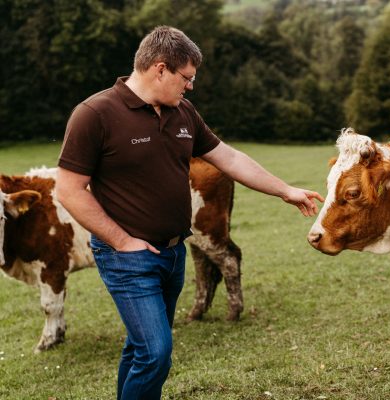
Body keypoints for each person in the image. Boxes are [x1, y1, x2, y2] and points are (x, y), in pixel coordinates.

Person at [55, 25, 323, 400]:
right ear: (160, 69)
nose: (191, 86)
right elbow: (67, 189)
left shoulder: (184, 112)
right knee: (155, 353)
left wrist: (286, 190)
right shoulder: (95, 114)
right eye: (187, 77)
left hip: (172, 252)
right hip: (126, 258)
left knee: (140, 348)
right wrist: (122, 240)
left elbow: (227, 157)